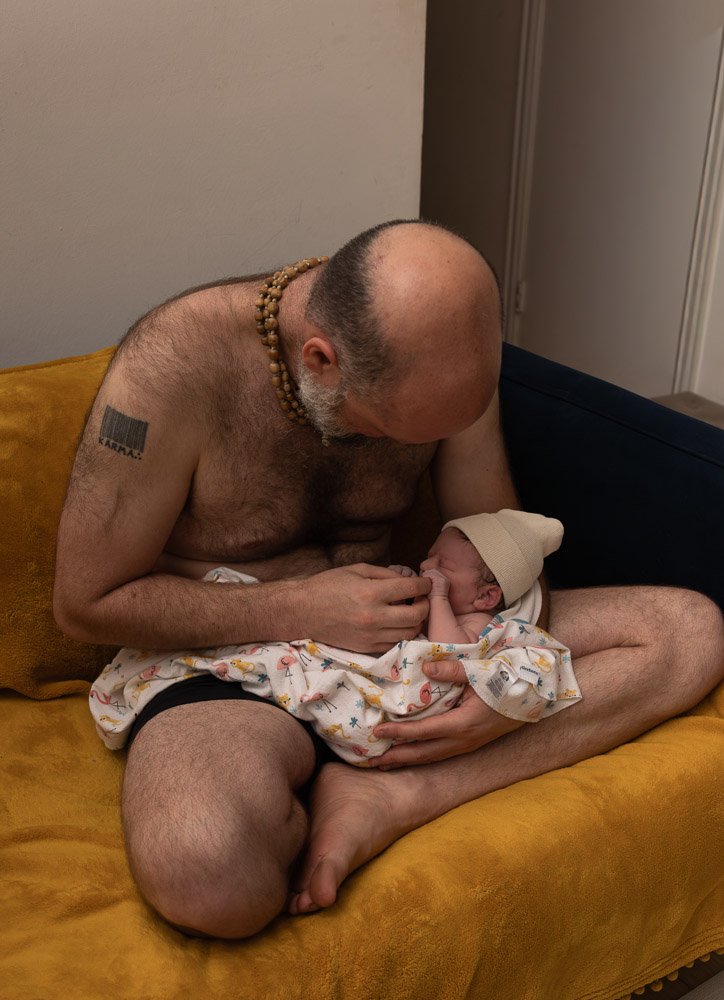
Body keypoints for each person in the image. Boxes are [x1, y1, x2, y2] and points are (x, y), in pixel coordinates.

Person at [53, 219, 724, 939]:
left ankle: (397, 797)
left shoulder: (446, 366)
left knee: (688, 631)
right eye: (391, 431)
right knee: (209, 872)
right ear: (320, 360)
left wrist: (504, 684)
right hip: (237, 662)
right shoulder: (174, 367)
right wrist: (300, 607)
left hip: (416, 638)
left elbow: (494, 546)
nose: (423, 447)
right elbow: (86, 603)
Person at [89, 510, 581, 763]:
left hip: (401, 689)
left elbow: (448, 652)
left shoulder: (481, 627)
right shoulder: (451, 594)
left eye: (443, 567)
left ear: (487, 598)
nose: (430, 567)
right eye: (431, 556)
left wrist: (433, 598)